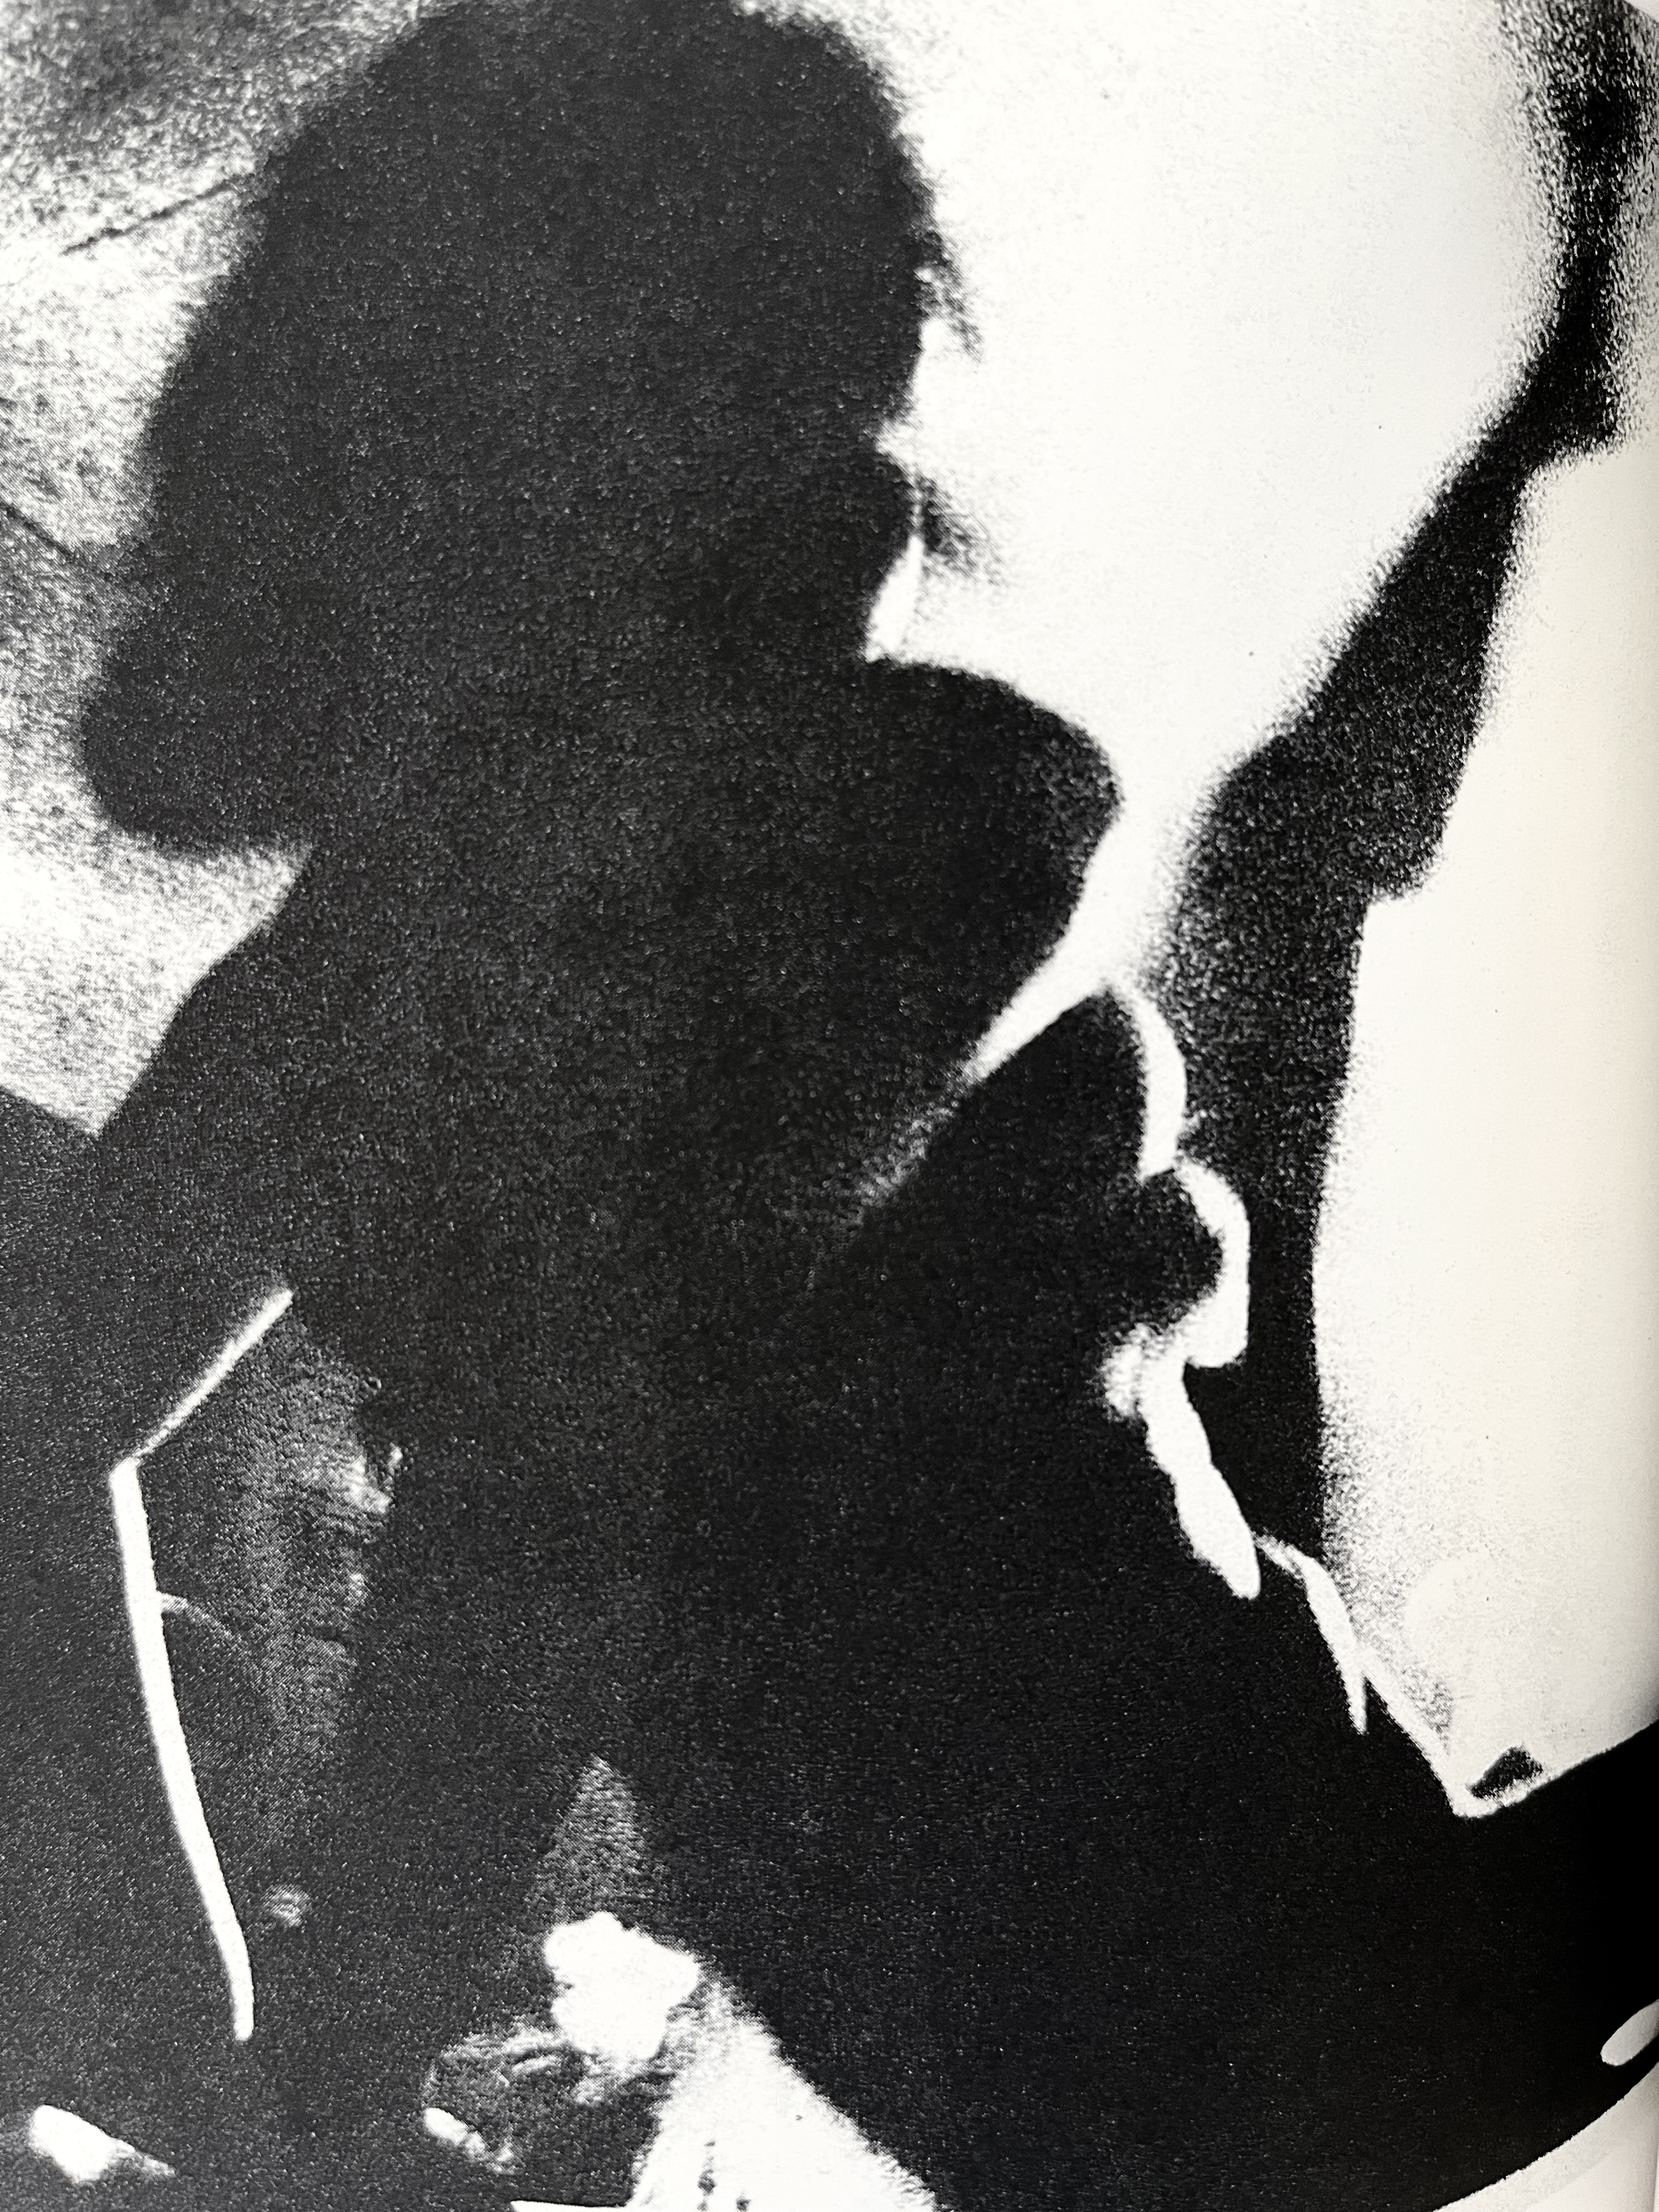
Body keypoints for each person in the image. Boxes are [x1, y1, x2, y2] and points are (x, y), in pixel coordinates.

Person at [2, 1, 1651, 2205]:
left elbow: (540, 1457)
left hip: (1244, 1982)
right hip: (1219, 2000)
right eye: (828, 433)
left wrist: (286, 2039)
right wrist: (280, 2035)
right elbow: (551, 1456)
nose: (882, 526)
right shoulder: (823, 843)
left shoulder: (404, 972)